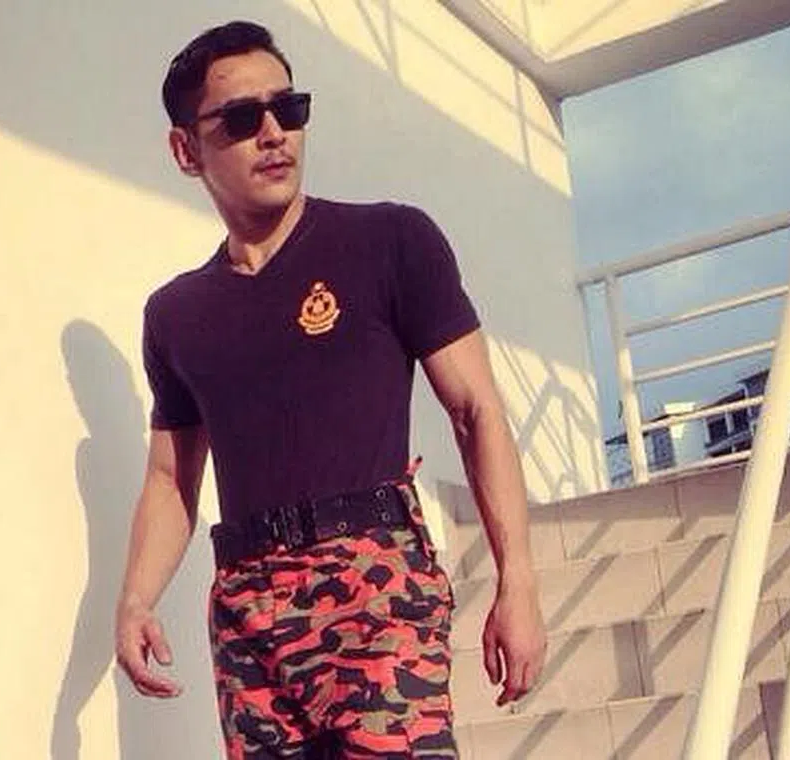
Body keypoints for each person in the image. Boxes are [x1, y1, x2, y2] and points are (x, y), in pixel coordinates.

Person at [114, 20, 546, 759]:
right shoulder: (176, 314)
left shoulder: (389, 242)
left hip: (377, 582)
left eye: (290, 108)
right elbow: (170, 477)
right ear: (186, 150)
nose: (274, 132)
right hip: (248, 606)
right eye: (242, 119)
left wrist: (519, 582)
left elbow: (476, 411)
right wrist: (134, 598)